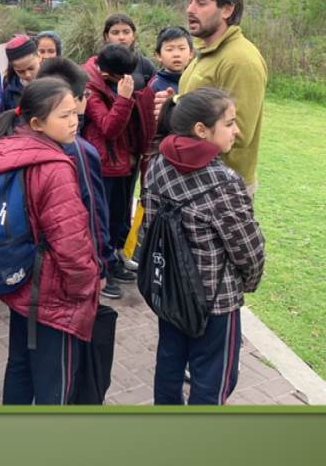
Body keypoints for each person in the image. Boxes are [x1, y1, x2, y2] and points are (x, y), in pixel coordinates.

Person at [0, 78, 101, 405]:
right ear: (36, 123)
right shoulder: (54, 167)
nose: (74, 122)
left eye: (74, 112)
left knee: (19, 366)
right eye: (64, 116)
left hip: (21, 279)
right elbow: (70, 242)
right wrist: (85, 287)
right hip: (53, 293)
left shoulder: (12, 149)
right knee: (55, 381)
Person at [144, 87, 265, 405]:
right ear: (201, 129)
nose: (237, 131)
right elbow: (248, 249)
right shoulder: (224, 182)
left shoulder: (157, 164)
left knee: (169, 366)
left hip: (169, 292)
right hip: (215, 303)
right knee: (213, 382)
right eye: (230, 123)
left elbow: (147, 226)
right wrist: (248, 283)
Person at [153, 0, 268, 193]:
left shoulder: (240, 60)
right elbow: (200, 106)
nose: (190, 9)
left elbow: (239, 133)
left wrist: (175, 112)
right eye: (190, 1)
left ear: (227, 10)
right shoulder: (206, 52)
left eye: (201, 2)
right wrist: (173, 104)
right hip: (195, 182)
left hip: (221, 190)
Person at [37, 58, 120, 299]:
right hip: (68, 263)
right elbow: (93, 212)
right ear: (73, 100)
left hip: (32, 262)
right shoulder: (79, 150)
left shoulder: (21, 135)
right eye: (86, 95)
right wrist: (102, 264)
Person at [82, 44, 154, 284]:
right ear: (106, 74)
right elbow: (108, 128)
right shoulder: (91, 87)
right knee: (104, 219)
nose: (127, 79)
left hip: (123, 160)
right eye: (121, 76)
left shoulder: (112, 77)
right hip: (104, 163)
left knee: (121, 215)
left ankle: (115, 259)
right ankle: (105, 269)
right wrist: (124, 98)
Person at [102, 13, 156, 91]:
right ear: (107, 36)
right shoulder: (97, 66)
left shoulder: (145, 65)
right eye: (115, 33)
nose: (121, 37)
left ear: (133, 35)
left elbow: (155, 92)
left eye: (126, 32)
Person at [0, 34, 41, 113]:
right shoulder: (10, 93)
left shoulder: (55, 82)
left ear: (39, 57)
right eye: (20, 71)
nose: (27, 75)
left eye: (31, 68)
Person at [152, 26, 194, 94]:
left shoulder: (196, 81)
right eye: (169, 49)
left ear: (191, 53)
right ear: (159, 56)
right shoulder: (154, 86)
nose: (176, 54)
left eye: (182, 48)